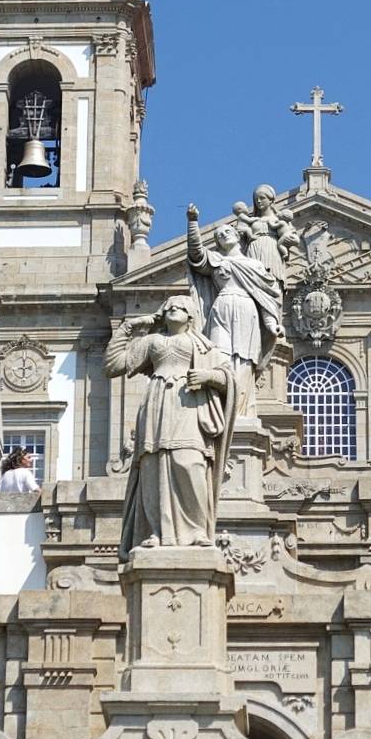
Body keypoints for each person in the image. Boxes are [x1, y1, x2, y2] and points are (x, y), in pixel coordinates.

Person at [103, 295, 234, 559]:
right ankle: (157, 531)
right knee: (154, 465)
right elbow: (112, 365)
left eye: (181, 307)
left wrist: (209, 376)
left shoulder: (205, 347)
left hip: (190, 406)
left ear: (191, 316)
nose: (174, 308)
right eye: (170, 306)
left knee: (189, 463)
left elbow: (229, 376)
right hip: (158, 404)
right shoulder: (153, 342)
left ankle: (197, 530)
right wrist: (128, 328)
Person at [186, 204, 283, 416]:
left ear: (238, 236)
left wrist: (271, 324)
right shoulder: (216, 260)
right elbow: (196, 255)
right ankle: (219, 411)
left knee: (243, 362)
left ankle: (239, 413)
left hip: (247, 312)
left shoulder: (255, 266)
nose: (223, 235)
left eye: (227, 231)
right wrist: (193, 223)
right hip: (221, 311)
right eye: (219, 235)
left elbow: (266, 298)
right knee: (218, 358)